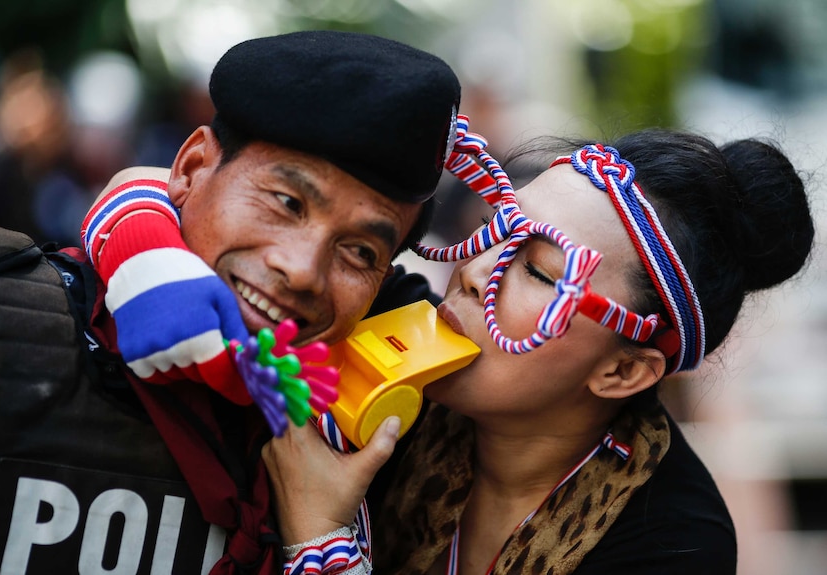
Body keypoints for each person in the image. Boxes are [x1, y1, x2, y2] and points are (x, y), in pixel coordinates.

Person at [0, 30, 466, 574]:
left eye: (359, 251)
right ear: (190, 168)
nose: (302, 271)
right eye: (286, 201)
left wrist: (323, 541)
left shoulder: (380, 429)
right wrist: (139, 237)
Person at [261, 127, 815, 574]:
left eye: (538, 272)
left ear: (623, 370)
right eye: (494, 228)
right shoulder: (393, 333)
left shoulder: (673, 543)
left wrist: (321, 541)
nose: (475, 273)